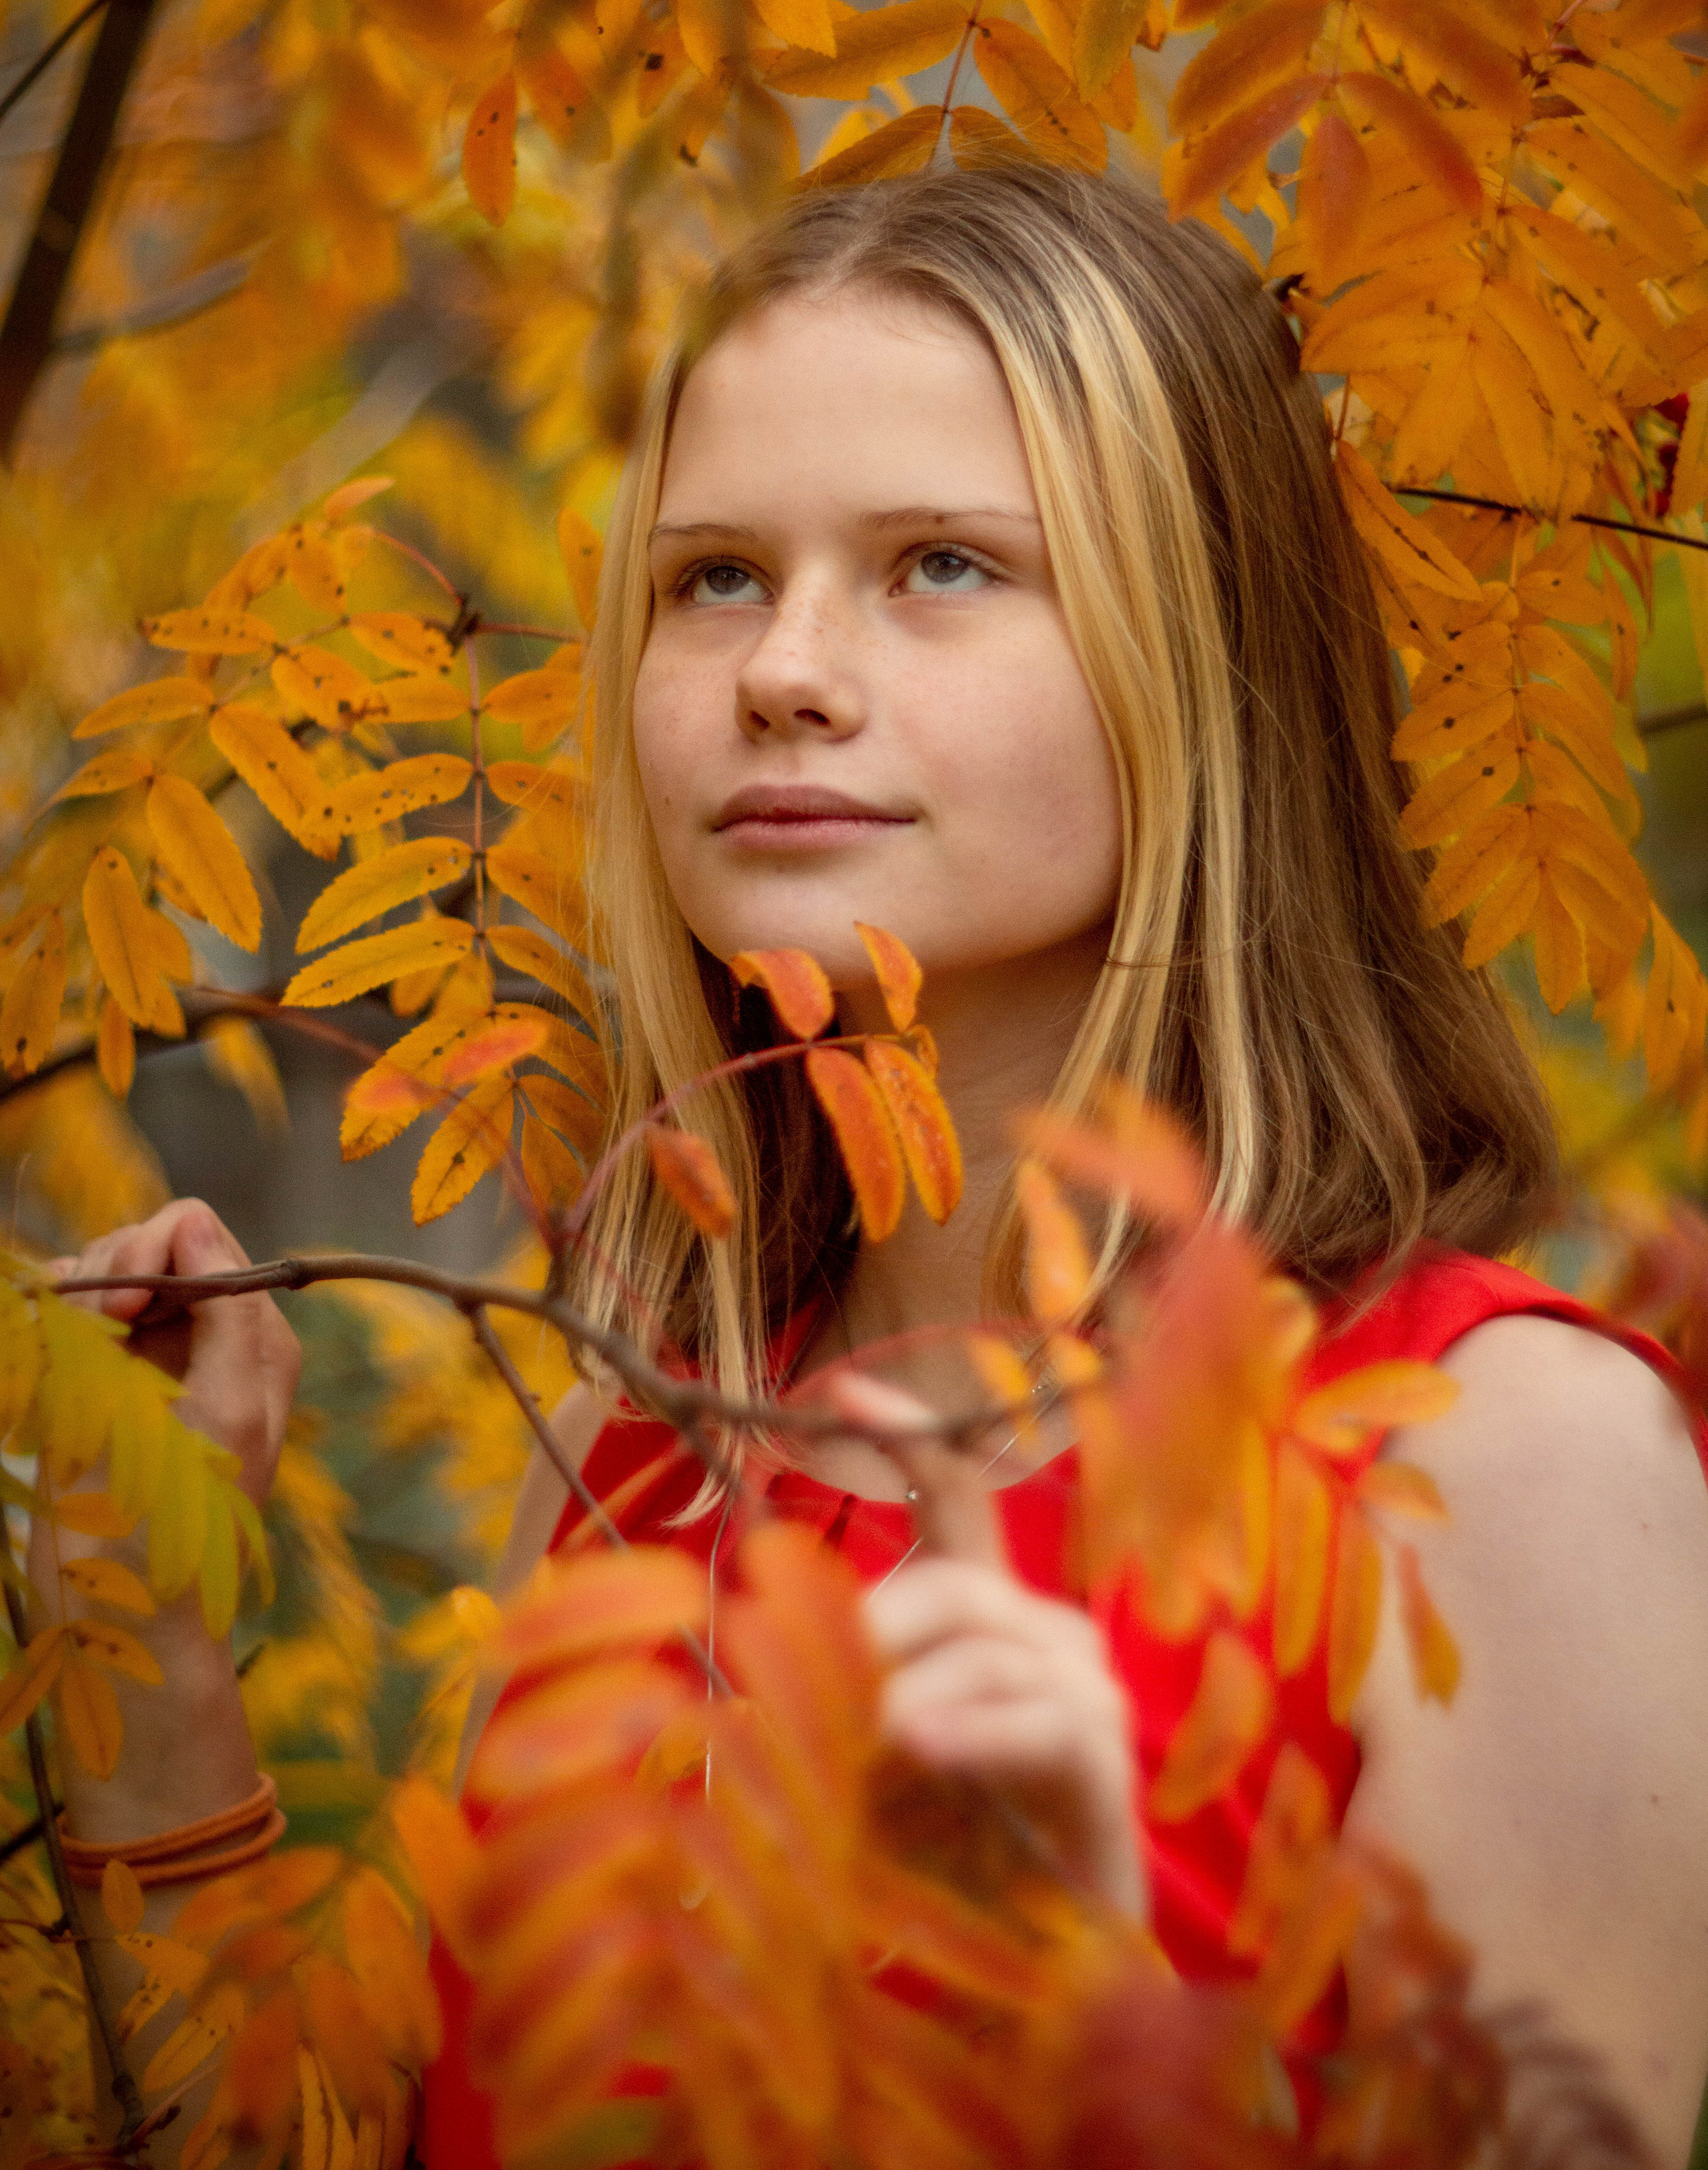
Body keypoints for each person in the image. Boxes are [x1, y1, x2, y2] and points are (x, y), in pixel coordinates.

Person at [37, 165, 1708, 2167]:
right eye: (715, 576)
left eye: (941, 565)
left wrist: (1091, 1976)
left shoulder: (1497, 1463)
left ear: (1201, 651)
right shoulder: (634, 1459)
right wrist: (140, 1671)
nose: (783, 668)